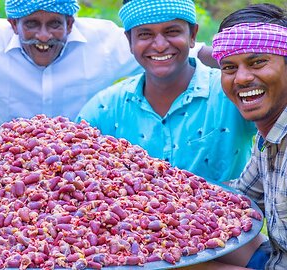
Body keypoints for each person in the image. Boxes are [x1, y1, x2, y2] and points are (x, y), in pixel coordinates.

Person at [0, 0, 217, 122]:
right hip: (3, 161)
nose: (43, 36)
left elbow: (186, 50)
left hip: (82, 166)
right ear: (13, 24)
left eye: (55, 24)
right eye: (31, 24)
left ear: (70, 23)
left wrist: (242, 59)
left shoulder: (104, 39)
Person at [77, 0, 256, 184]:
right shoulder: (103, 109)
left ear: (192, 35)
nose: (160, 45)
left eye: (172, 32)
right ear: (129, 41)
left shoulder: (232, 92)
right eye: (145, 34)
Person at [210, 3, 287, 269]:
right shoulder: (269, 134)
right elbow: (239, 201)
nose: (241, 79)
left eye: (258, 62)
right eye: (229, 68)